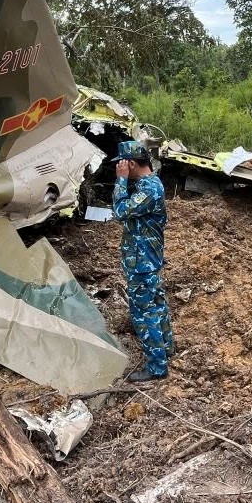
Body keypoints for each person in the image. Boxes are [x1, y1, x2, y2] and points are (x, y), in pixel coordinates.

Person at [112, 140, 174, 382]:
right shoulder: (149, 185)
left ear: (131, 163)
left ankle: (157, 367)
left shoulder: (148, 189)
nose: (118, 168)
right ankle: (166, 348)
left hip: (142, 262)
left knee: (143, 312)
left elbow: (120, 211)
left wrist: (120, 180)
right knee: (157, 304)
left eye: (121, 164)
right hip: (146, 259)